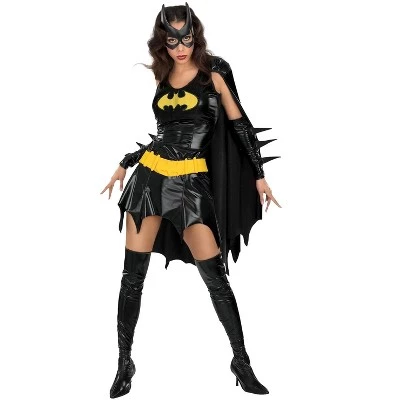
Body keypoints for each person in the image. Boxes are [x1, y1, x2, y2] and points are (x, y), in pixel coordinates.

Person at [101, 2, 281, 397]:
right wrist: (127, 161)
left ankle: (241, 361)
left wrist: (259, 174)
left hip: (190, 186)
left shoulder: (215, 72)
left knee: (215, 278)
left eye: (186, 39)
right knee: (132, 278)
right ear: (162, 43)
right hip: (148, 183)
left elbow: (239, 124)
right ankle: (124, 362)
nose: (180, 48)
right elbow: (164, 136)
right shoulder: (163, 77)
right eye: (172, 41)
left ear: (195, 37)